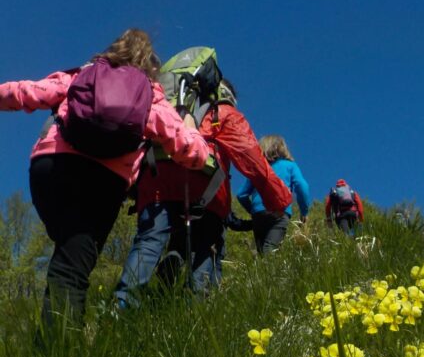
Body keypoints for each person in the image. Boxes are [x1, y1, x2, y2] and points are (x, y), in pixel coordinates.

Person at [0, 29, 209, 327]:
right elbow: (194, 152)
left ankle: (56, 347)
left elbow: (27, 92)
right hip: (103, 182)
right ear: (150, 66)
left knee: (65, 251)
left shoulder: (82, 76)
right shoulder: (150, 96)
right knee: (72, 269)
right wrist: (191, 125)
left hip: (51, 167)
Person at [114, 78, 291, 308]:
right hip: (205, 189)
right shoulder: (223, 113)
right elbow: (252, 159)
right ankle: (195, 314)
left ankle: (121, 308)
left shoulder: (166, 104)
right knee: (207, 250)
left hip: (157, 178)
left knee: (148, 242)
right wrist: (279, 201)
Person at [237, 135, 310, 254]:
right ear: (282, 148)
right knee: (271, 249)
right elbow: (302, 187)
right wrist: (304, 212)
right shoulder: (290, 166)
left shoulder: (258, 168)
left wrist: (253, 210)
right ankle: (269, 271)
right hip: (280, 212)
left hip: (258, 214)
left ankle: (262, 271)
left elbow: (241, 195)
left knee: (261, 251)